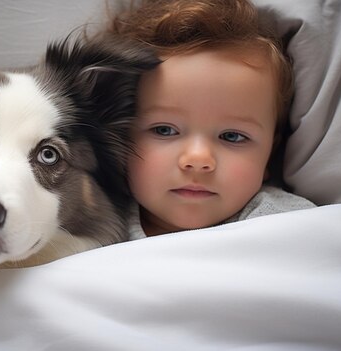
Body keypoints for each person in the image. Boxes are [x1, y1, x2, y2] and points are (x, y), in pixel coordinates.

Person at [99, 0, 316, 239]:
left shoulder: (285, 224)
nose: (198, 159)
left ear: (268, 155)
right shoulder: (90, 221)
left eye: (232, 136)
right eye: (164, 130)